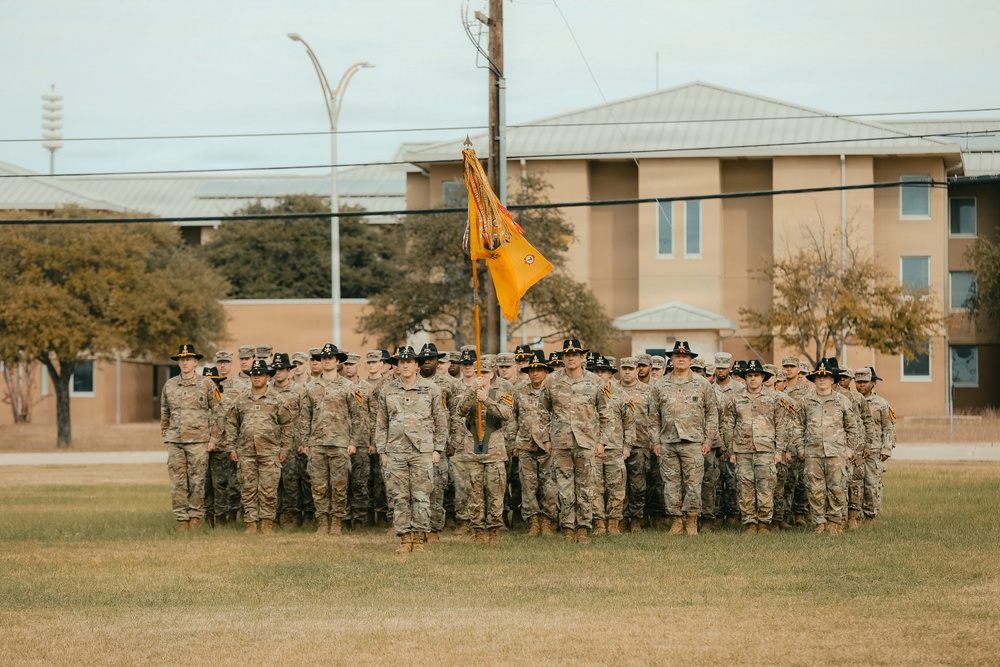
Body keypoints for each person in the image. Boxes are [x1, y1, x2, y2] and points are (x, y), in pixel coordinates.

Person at [538, 339, 613, 544]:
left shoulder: (596, 382)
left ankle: (583, 528)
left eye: (575, 355)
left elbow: (606, 413)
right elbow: (542, 412)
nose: (571, 358)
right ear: (562, 358)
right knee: (564, 488)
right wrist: (545, 439)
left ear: (582, 357)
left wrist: (602, 441)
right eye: (567, 355)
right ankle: (568, 528)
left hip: (586, 443)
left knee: (585, 487)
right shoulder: (551, 381)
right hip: (560, 443)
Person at [375, 346, 448, 554]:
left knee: (422, 496)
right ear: (397, 366)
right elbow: (381, 423)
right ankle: (404, 538)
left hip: (422, 451)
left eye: (409, 362)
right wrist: (382, 451)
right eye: (402, 362)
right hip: (396, 451)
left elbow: (441, 422)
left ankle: (419, 538)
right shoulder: (388, 390)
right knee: (399, 497)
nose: (405, 365)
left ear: (417, 365)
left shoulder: (431, 389)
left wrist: (438, 450)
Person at [649, 341, 719, 536]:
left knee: (694, 484)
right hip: (668, 443)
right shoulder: (660, 384)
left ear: (690, 360)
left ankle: (692, 522)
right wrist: (655, 441)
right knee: (670, 485)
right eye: (677, 356)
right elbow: (653, 416)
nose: (681, 359)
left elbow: (712, 415)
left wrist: (708, 440)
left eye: (685, 356)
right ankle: (676, 521)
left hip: (694, 442)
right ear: (671, 359)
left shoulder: (702, 384)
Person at [299, 343, 364, 536]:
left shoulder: (349, 387)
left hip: (340, 443)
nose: (327, 361)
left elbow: (357, 416)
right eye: (324, 358)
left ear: (337, 362)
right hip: (316, 444)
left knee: (339, 484)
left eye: (331, 358)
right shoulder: (310, 387)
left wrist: (353, 442)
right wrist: (304, 442)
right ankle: (322, 522)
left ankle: (336, 522)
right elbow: (304, 416)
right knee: (318, 485)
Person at [451, 355, 514, 546]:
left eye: (485, 372)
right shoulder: (466, 392)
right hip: (473, 451)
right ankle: (477, 530)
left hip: (494, 452)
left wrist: (486, 400)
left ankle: (494, 530)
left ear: (492, 373)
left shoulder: (502, 392)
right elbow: (460, 411)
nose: (482, 376)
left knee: (495, 493)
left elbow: (506, 414)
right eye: (479, 373)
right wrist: (472, 392)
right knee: (474, 492)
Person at [721, 360, 790, 534]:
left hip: (766, 450)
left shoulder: (774, 398)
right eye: (750, 376)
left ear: (762, 377)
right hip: (742, 450)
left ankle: (765, 523)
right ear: (745, 377)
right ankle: (750, 522)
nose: (753, 379)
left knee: (766, 487)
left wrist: (779, 450)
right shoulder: (735, 398)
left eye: (756, 376)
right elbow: (728, 425)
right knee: (745, 487)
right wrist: (731, 450)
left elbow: (781, 425)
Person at [224, 359, 293, 534]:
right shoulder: (241, 400)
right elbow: (232, 424)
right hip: (246, 452)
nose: (256, 378)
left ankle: (267, 523)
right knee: (248, 488)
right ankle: (251, 523)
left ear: (267, 377)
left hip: (270, 453)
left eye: (260, 375)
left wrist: (284, 449)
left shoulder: (277, 399)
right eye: (254, 375)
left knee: (268, 489)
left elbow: (287, 425)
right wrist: (232, 448)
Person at [795, 358, 861, 534]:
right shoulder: (805, 401)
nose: (822, 379)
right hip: (813, 453)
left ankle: (834, 521)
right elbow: (797, 426)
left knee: (837, 487)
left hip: (836, 452)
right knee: (814, 489)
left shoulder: (842, 401)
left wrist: (849, 449)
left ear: (832, 379)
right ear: (814, 380)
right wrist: (800, 448)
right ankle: (819, 522)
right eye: (819, 377)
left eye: (826, 376)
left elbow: (853, 427)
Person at [160, 344, 221, 532]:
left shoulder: (207, 384)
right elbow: (164, 411)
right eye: (182, 359)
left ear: (195, 362)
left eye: (189, 359)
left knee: (197, 481)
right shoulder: (169, 385)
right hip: (175, 441)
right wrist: (166, 435)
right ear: (178, 362)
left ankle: (195, 518)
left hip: (199, 441)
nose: (185, 363)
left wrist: (214, 439)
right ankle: (182, 520)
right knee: (177, 482)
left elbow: (219, 412)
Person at [513, 350, 558, 536]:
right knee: (528, 485)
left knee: (549, 485)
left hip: (548, 445)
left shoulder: (553, 390)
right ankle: (533, 521)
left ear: (546, 372)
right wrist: (514, 443)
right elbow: (513, 417)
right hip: (525, 444)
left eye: (539, 369)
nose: (535, 373)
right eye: (532, 370)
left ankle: (547, 520)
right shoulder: (520, 391)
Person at [416, 343, 457, 540]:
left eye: (430, 359)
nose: (426, 363)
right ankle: (418, 527)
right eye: (423, 359)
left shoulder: (448, 383)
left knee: (438, 487)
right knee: (418, 489)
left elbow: (457, 415)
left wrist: (453, 441)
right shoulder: (410, 382)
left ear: (436, 361)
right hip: (416, 446)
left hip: (439, 445)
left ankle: (434, 529)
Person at [590, 355, 634, 535]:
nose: (600, 375)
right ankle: (599, 523)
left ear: (610, 374)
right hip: (592, 448)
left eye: (603, 371)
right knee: (594, 488)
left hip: (615, 449)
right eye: (596, 371)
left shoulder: (621, 395)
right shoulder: (585, 394)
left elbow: (630, 423)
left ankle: (614, 523)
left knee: (616, 489)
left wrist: (627, 447)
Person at [270, 353, 309, 529]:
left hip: (293, 444)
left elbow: (305, 417)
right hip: (271, 444)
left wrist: (304, 442)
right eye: (275, 369)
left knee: (291, 481)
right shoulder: (267, 390)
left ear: (288, 370)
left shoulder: (299, 391)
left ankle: (291, 516)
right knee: (272, 482)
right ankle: (274, 516)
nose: (277, 372)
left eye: (281, 369)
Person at [854, 367, 896, 522]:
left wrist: (887, 448)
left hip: (875, 450)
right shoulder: (850, 400)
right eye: (858, 382)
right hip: (855, 450)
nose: (861, 385)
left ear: (872, 383)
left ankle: (871, 514)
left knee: (871, 484)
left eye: (865, 382)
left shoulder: (882, 404)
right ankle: (856, 515)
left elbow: (889, 427)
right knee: (855, 483)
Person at [618, 356, 654, 533]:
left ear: (636, 371)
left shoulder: (648, 391)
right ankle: (622, 518)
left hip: (640, 444)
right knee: (619, 484)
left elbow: (654, 418)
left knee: (638, 485)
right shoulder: (612, 389)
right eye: (624, 368)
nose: (626, 372)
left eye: (630, 369)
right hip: (617, 445)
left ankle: (636, 518)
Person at [342, 352, 374, 528]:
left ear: (358, 366)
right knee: (343, 482)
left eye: (351, 364)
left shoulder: (368, 388)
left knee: (360, 482)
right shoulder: (339, 387)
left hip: (362, 442)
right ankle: (345, 518)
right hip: (342, 440)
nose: (348, 367)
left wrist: (373, 442)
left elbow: (375, 415)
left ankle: (360, 519)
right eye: (346, 364)